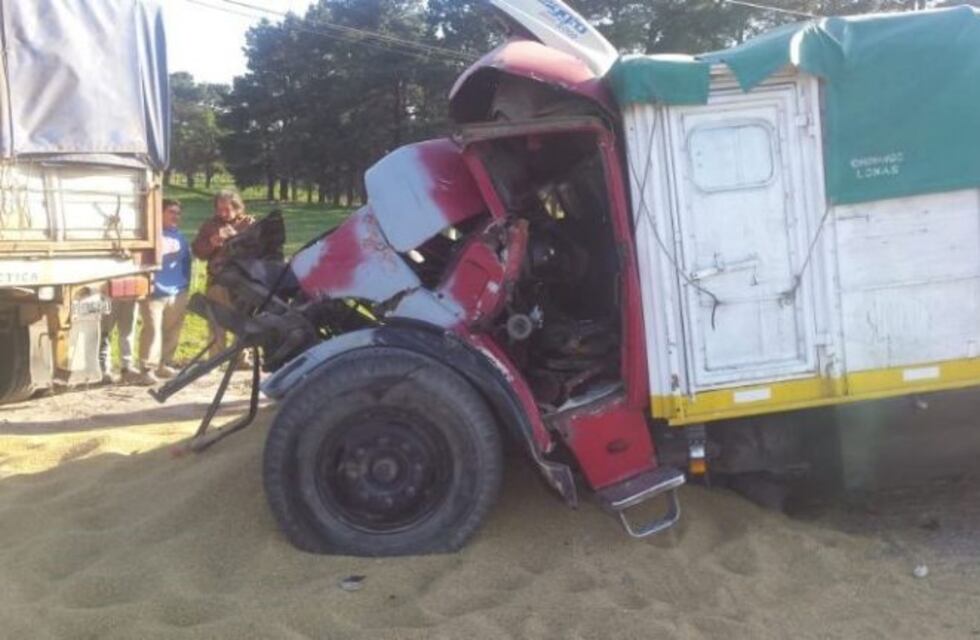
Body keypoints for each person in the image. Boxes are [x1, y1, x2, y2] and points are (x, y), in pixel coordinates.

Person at [191, 189, 255, 360]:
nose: (223, 213)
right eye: (219, 209)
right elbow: (198, 251)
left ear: (237, 207)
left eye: (227, 209)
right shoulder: (210, 225)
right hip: (218, 281)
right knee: (217, 321)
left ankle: (240, 358)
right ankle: (216, 359)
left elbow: (260, 250)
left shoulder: (249, 224)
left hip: (244, 282)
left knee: (242, 322)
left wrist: (239, 238)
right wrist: (212, 243)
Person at [137, 199, 191, 384]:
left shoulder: (180, 237)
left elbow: (187, 263)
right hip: (154, 291)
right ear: (159, 213)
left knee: (172, 330)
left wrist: (185, 286)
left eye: (178, 213)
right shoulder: (150, 235)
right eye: (171, 212)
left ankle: (164, 364)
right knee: (152, 331)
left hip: (177, 292)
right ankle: (147, 369)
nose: (175, 216)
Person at [99, 300, 138, 384]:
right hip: (109, 295)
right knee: (105, 332)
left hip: (130, 295)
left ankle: (126, 368)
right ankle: (103, 370)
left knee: (127, 333)